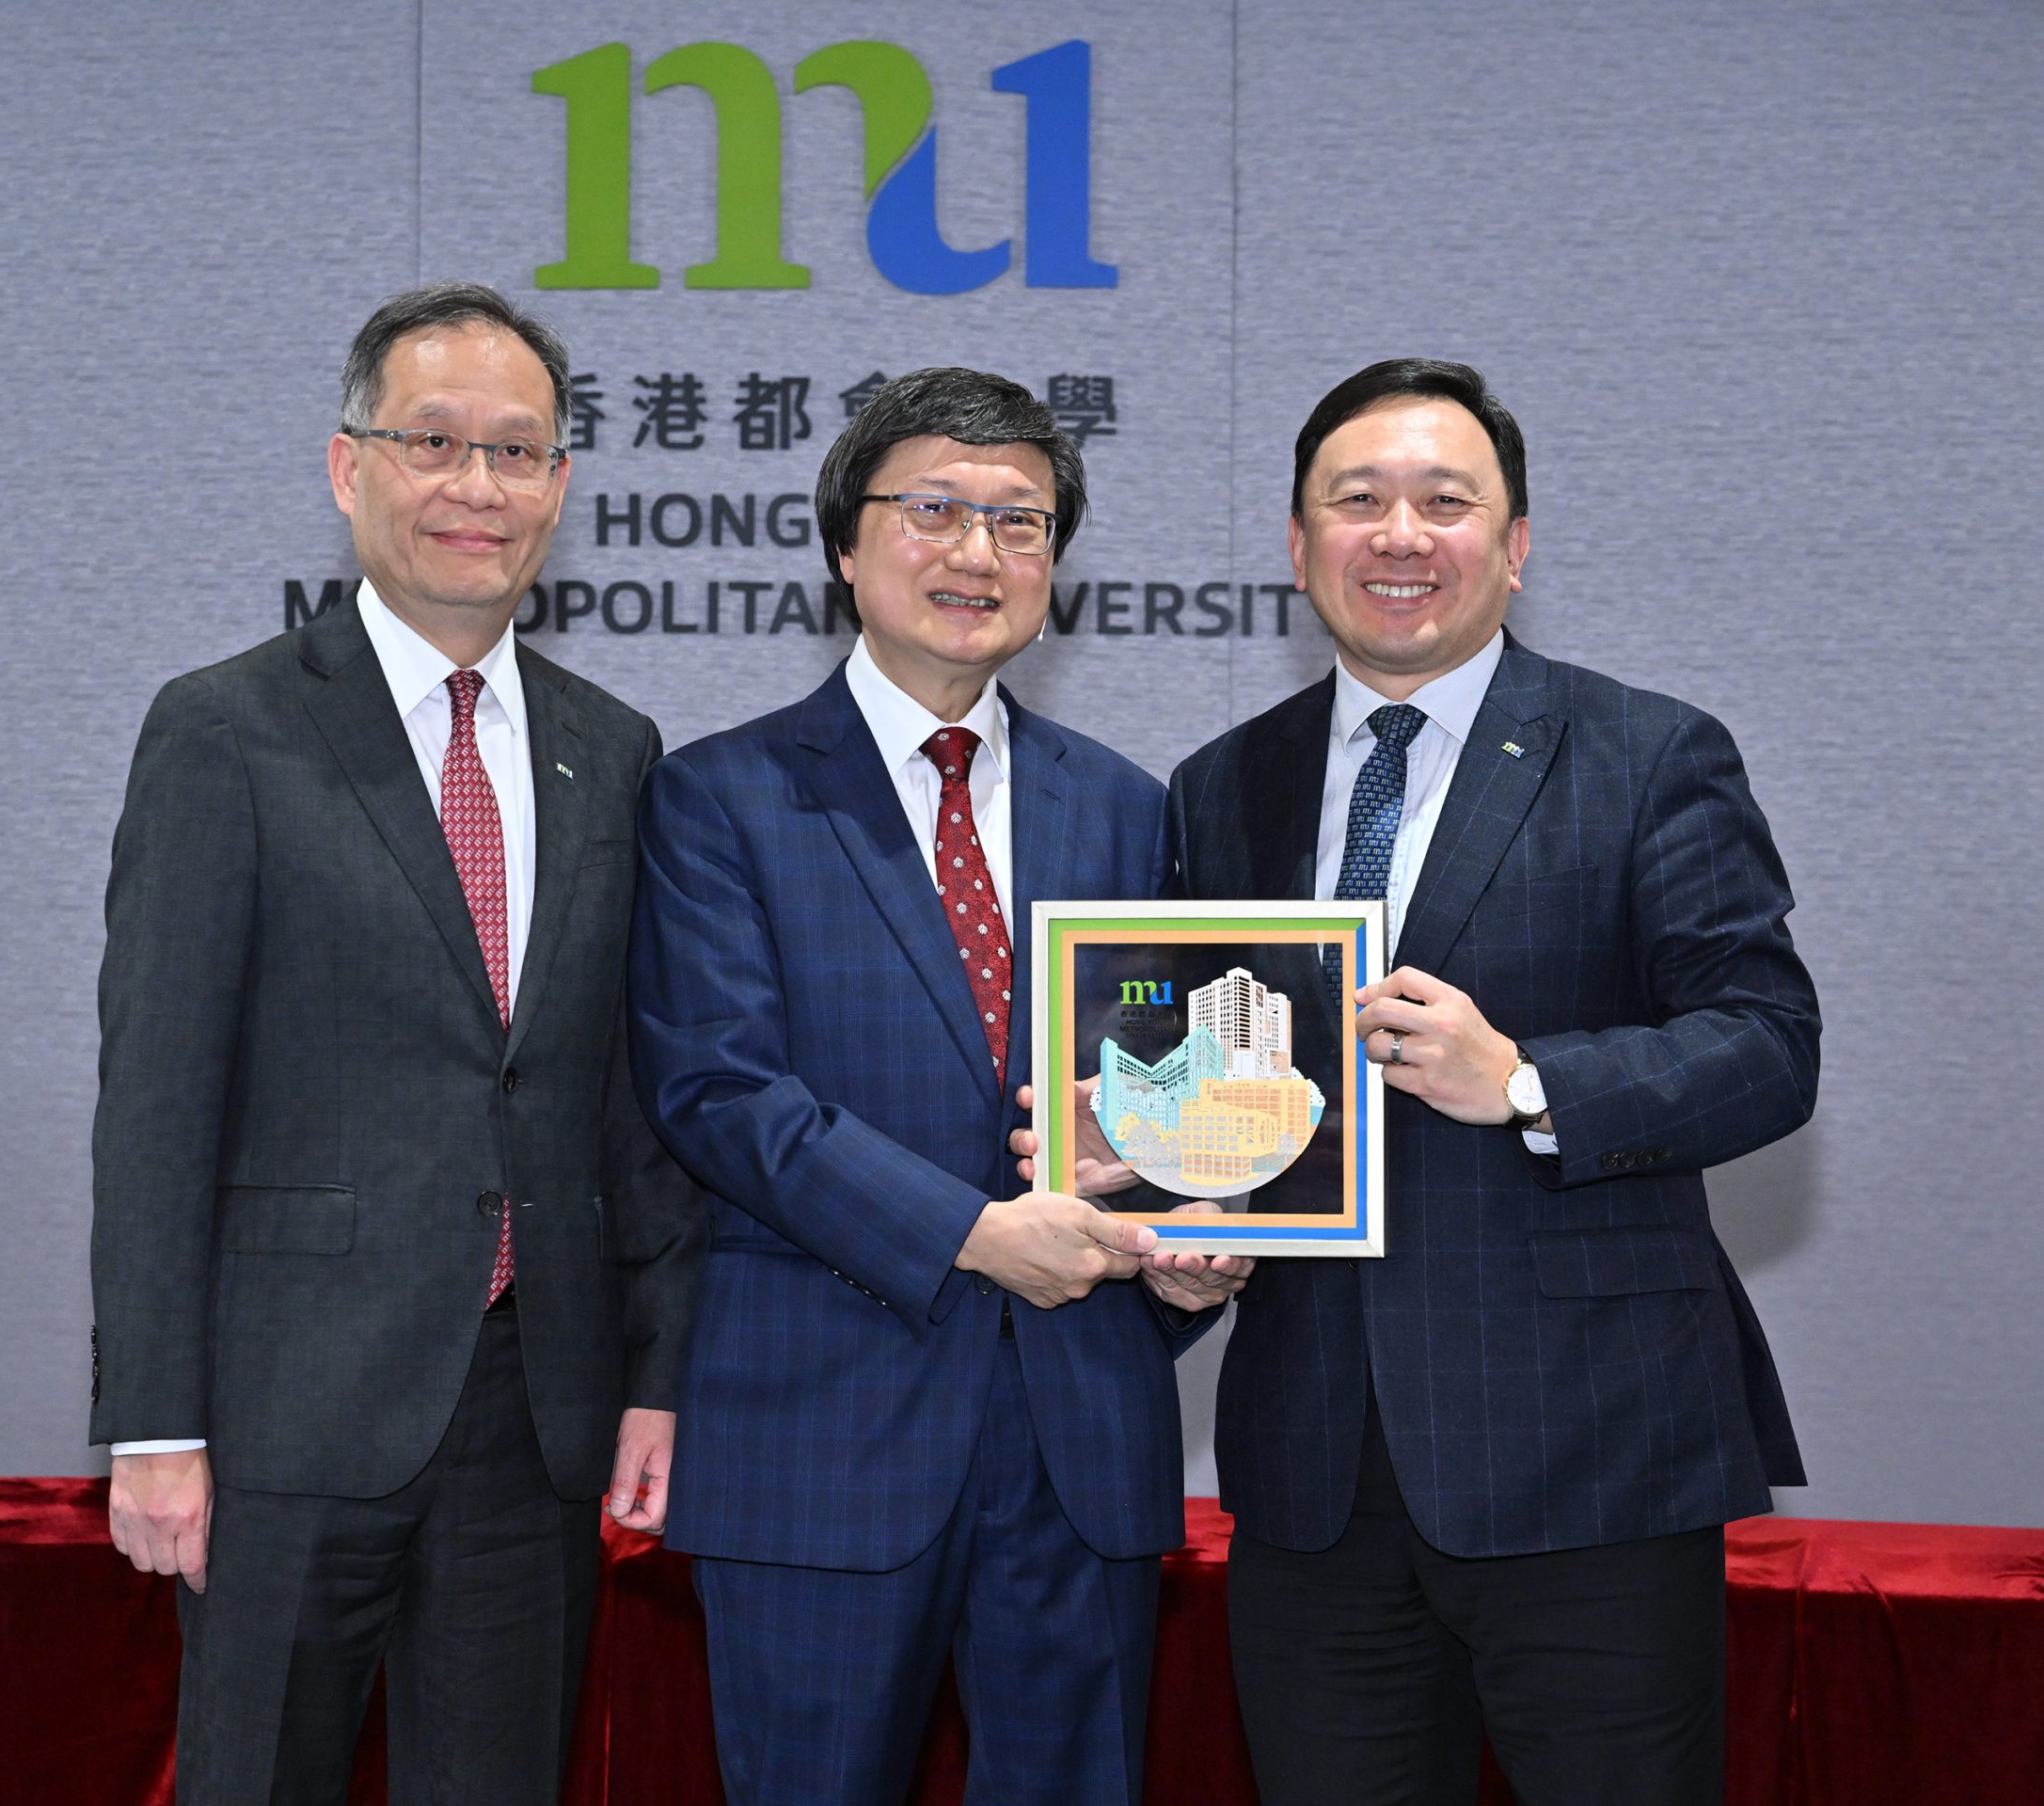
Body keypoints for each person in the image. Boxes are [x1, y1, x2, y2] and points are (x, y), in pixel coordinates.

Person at [1165, 358, 1817, 1804]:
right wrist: (1171, 1194)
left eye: (1445, 502)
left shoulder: (1648, 753)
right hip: (1314, 1475)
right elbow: (1216, 1071)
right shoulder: (1223, 784)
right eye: (1358, 501)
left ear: (1515, 546)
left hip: (1589, 1456)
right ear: (1298, 547)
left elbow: (1770, 1046)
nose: (1400, 534)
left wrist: (1526, 1080)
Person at [87, 281, 703, 1804]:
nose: (475, 487)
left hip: (536, 1417)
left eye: (516, 452)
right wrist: (153, 1422)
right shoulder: (225, 729)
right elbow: (157, 1100)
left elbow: (624, 1102)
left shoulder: (613, 748)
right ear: (347, 465)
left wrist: (657, 1373)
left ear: (561, 485)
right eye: (434, 442)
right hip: (284, 1415)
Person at [626, 367, 1248, 1806]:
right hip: (820, 1436)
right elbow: (719, 1091)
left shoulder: (1127, 806)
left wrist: (1194, 1243)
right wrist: (974, 1233)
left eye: (1020, 521)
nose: (979, 550)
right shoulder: (719, 799)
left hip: (1081, 1437)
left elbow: (1159, 1086)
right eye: (933, 510)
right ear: (845, 543)